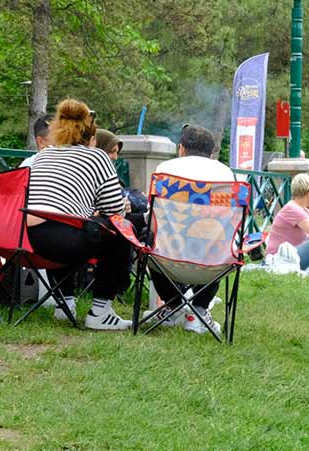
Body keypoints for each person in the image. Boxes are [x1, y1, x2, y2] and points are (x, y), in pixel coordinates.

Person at [26, 98, 133, 331]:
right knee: (120, 233)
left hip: (26, 241)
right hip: (65, 243)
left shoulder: (43, 155)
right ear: (89, 133)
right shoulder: (97, 157)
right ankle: (100, 312)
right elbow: (114, 209)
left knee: (67, 221)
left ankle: (65, 303)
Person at [144, 124, 236, 334]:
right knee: (218, 240)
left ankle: (173, 306)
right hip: (212, 263)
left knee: (148, 237)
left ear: (181, 148)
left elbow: (152, 217)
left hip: (166, 258)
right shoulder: (225, 174)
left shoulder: (165, 170)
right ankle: (198, 311)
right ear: (212, 153)